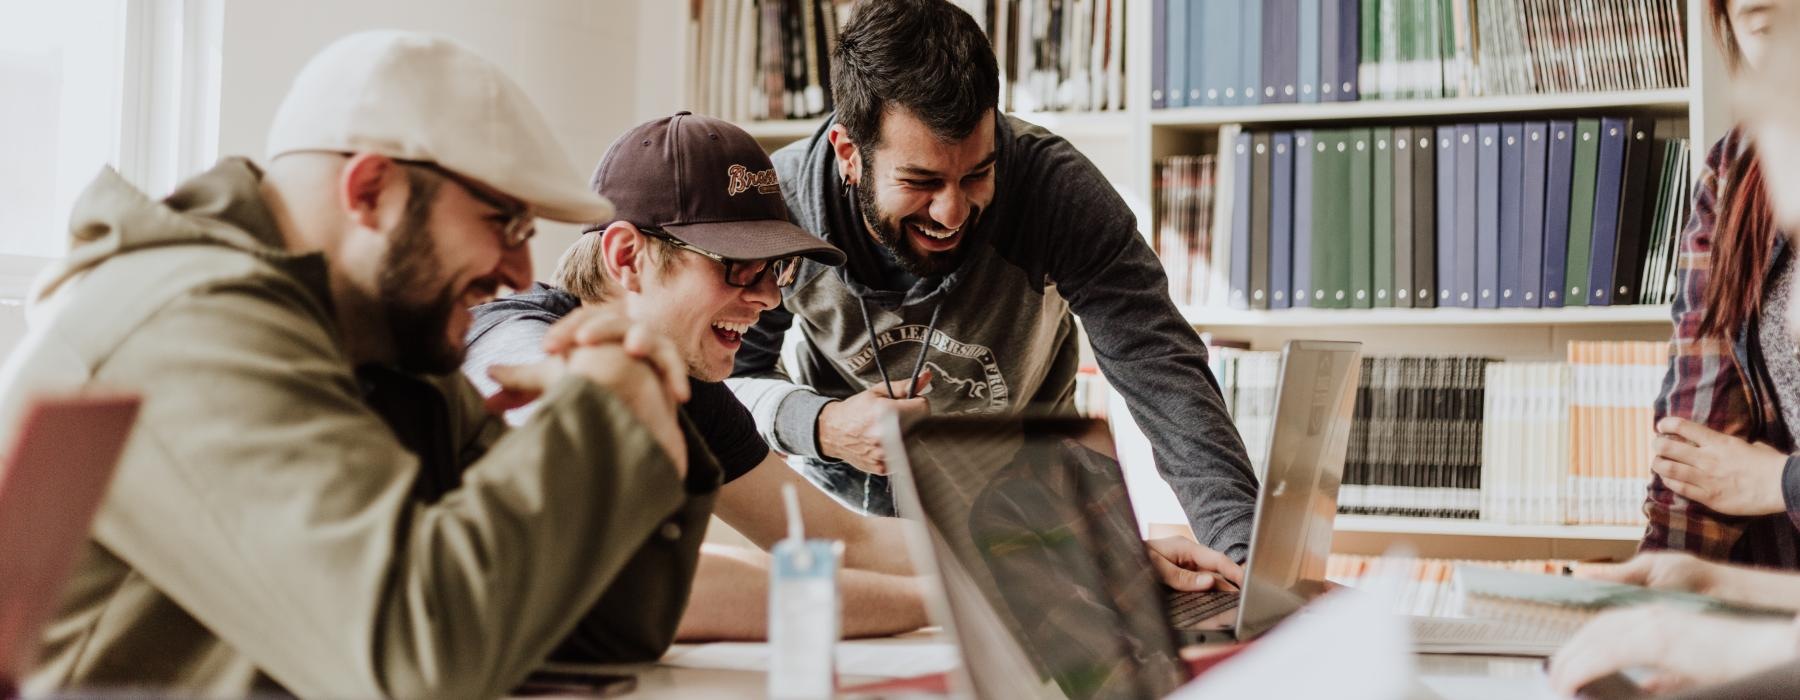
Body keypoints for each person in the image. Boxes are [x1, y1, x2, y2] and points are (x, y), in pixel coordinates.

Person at [0, 32, 714, 697]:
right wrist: (600, 416)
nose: (521, 271)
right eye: (504, 222)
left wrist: (644, 417)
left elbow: (591, 634)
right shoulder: (188, 324)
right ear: (370, 190)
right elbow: (413, 661)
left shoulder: (383, 346)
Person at [464, 112, 1241, 641]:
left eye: (776, 272)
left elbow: (838, 538)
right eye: (738, 268)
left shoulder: (688, 384)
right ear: (628, 256)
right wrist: (996, 598)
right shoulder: (518, 346)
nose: (769, 298)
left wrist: (1083, 558)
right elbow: (648, 581)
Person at [725, 0, 1260, 570]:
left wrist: (1244, 554)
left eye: (977, 173)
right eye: (920, 181)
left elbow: (1161, 367)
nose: (952, 212)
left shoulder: (1056, 190)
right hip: (852, 525)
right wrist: (822, 425)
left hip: (1030, 509)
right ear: (849, 155)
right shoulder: (782, 207)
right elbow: (729, 382)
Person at [1642, 0, 1800, 567]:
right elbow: (1698, 448)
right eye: (1768, 27)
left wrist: (1778, 481)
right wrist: (1666, 580)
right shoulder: (1739, 167)